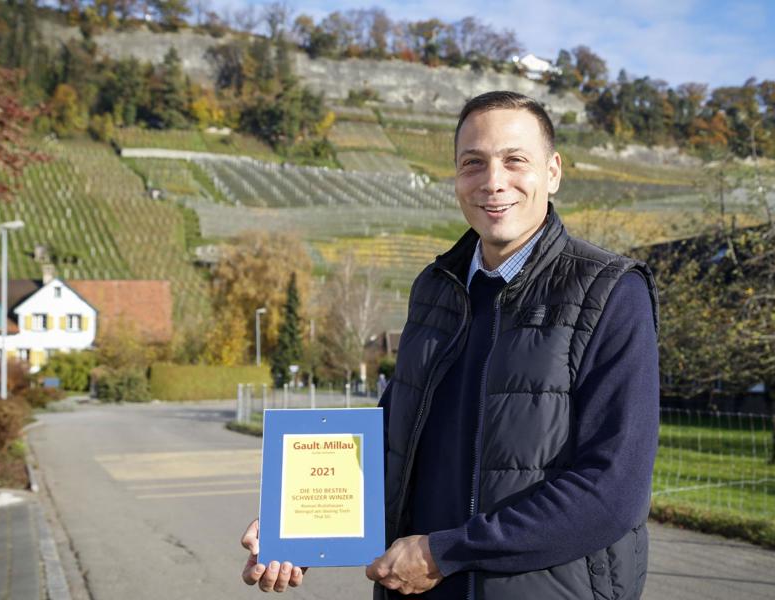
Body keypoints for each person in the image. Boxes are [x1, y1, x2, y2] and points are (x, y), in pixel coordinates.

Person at [242, 90, 659, 599]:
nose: (493, 182)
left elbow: (611, 492)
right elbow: (394, 444)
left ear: (552, 172)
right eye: (473, 163)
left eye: (514, 160)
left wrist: (446, 553)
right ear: (456, 178)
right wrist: (298, 526)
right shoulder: (434, 287)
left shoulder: (610, 292)